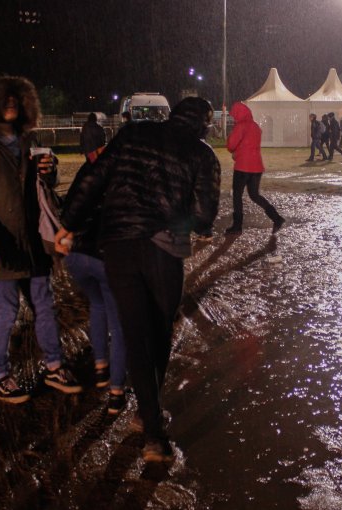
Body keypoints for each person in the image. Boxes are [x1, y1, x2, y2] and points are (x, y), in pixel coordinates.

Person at [55, 97, 221, 463]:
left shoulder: (133, 134)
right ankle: (152, 430)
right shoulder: (201, 153)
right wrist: (185, 223)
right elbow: (203, 213)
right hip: (163, 252)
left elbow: (93, 178)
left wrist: (68, 224)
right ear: (203, 124)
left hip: (119, 247)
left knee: (135, 334)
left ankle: (149, 422)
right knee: (159, 333)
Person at [0, 75, 82, 404]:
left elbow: (44, 187)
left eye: (16, 98)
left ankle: (54, 366)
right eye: (4, 99)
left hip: (34, 245)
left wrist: (50, 171)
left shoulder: (29, 139)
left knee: (45, 308)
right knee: (5, 314)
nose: (11, 104)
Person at [62, 167, 128, 415]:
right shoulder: (122, 183)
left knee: (97, 306)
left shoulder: (86, 176)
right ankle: (116, 392)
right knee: (119, 326)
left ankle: (101, 366)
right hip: (105, 259)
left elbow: (68, 214)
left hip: (77, 257)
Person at [224, 102, 285, 235]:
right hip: (256, 167)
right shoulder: (255, 126)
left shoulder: (240, 126)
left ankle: (237, 225)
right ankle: (276, 217)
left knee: (237, 196)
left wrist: (233, 146)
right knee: (255, 195)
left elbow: (231, 145)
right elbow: (248, 144)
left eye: (234, 115)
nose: (234, 118)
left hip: (242, 167)